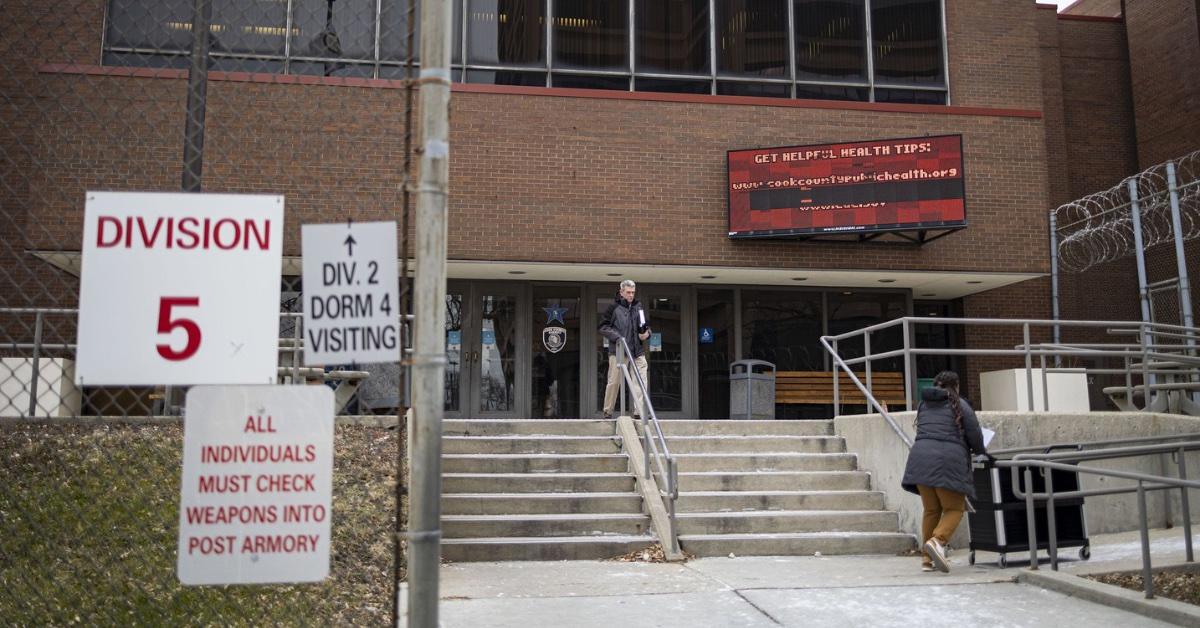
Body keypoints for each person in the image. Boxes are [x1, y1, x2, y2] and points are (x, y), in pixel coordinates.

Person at [901, 370, 989, 573]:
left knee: (931, 510)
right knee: (955, 509)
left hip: (920, 460)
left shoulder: (923, 404)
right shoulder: (960, 405)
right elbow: (975, 434)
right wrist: (981, 450)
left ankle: (926, 559)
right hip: (948, 462)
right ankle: (937, 541)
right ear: (956, 386)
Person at [599, 279, 650, 419]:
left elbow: (645, 325)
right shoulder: (613, 307)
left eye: (633, 292)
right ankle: (608, 411)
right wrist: (618, 337)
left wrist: (647, 333)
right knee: (614, 381)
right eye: (628, 292)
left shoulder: (638, 306)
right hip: (619, 350)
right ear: (621, 292)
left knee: (640, 381)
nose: (631, 295)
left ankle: (639, 411)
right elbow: (603, 327)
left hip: (637, 351)